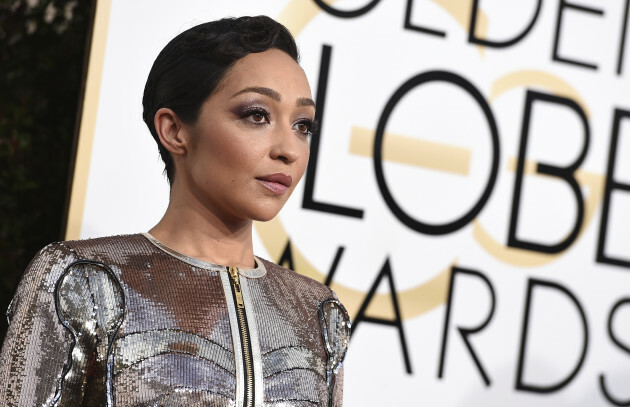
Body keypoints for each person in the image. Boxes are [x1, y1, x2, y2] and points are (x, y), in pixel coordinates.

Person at [0, 16, 350, 406]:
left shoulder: (316, 314)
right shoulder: (84, 280)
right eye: (256, 115)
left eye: (303, 125)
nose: (289, 149)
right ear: (174, 130)